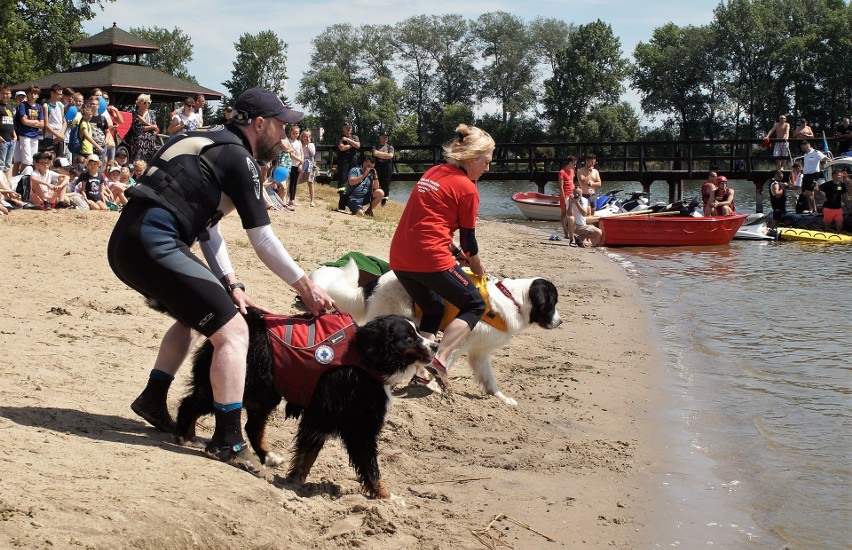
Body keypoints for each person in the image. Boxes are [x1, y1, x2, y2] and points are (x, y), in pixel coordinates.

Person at [107, 87, 334, 476]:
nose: (284, 137)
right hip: (152, 242)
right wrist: (305, 286)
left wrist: (230, 281)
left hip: (130, 241)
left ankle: (153, 397)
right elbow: (263, 238)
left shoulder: (209, 142)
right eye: (280, 127)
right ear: (259, 123)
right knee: (232, 332)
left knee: (199, 316)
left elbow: (208, 230)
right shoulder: (238, 158)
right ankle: (228, 441)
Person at [388, 123, 493, 389]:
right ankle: (441, 358)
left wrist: (455, 252)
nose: (488, 168)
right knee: (475, 305)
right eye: (486, 162)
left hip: (400, 257)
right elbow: (470, 241)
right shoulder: (468, 189)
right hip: (428, 259)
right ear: (471, 159)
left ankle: (419, 371)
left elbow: (430, 222)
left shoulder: (434, 172)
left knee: (434, 309)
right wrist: (478, 267)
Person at [16, 85, 43, 174]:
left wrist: (29, 121)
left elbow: (42, 124)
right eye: (31, 93)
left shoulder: (39, 107)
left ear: (38, 95)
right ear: (28, 94)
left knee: (34, 159)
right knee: (27, 160)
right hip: (25, 134)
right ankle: (23, 177)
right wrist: (36, 122)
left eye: (35, 93)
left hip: (35, 135)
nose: (33, 95)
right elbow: (24, 121)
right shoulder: (23, 105)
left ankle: (31, 177)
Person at [127, 94, 159, 163]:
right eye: (145, 102)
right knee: (137, 163)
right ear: (139, 103)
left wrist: (146, 125)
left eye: (148, 103)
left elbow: (155, 127)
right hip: (139, 144)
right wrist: (151, 127)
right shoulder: (135, 114)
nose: (147, 104)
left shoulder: (151, 114)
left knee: (149, 164)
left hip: (150, 143)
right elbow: (138, 129)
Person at [336, 122, 360, 210]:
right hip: (343, 160)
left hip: (353, 160)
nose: (348, 129)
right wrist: (352, 145)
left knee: (353, 180)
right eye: (346, 128)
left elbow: (358, 145)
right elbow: (342, 148)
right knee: (342, 182)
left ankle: (352, 204)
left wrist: (349, 141)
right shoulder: (340, 137)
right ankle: (341, 205)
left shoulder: (355, 137)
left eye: (350, 128)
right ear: (343, 128)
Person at [800, 141, 826, 214]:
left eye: (802, 147)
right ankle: (812, 209)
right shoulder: (806, 155)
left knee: (809, 192)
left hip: (813, 175)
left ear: (806, 146)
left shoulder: (816, 152)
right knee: (807, 193)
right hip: (806, 175)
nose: (802, 149)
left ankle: (814, 210)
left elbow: (825, 158)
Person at [42, 84, 67, 158]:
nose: (60, 96)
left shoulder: (60, 105)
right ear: (52, 93)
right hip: (50, 137)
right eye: (58, 94)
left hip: (59, 137)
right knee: (50, 158)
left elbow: (64, 122)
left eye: (61, 94)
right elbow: (46, 125)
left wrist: (61, 135)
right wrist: (58, 135)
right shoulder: (46, 106)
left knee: (59, 160)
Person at [557, 156, 577, 241]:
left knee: (572, 213)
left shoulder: (572, 171)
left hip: (571, 195)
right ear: (570, 163)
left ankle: (571, 230)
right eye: (574, 164)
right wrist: (564, 197)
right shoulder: (562, 172)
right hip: (564, 195)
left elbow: (572, 183)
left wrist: (575, 193)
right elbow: (561, 186)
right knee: (564, 213)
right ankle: (565, 231)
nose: (575, 166)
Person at [372, 131, 394, 205]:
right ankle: (374, 199)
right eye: (383, 136)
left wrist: (380, 154)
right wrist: (385, 155)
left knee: (386, 184)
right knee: (376, 182)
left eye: (386, 137)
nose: (385, 138)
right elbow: (375, 153)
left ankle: (384, 202)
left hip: (387, 167)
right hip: (377, 166)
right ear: (380, 137)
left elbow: (390, 156)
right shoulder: (375, 146)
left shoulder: (390, 147)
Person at [0, 84, 17, 182]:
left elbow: (10, 122)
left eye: (7, 93)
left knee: (8, 164)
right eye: (3, 93)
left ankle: (6, 183)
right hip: (2, 140)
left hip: (11, 139)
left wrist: (14, 135)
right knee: (1, 164)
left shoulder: (10, 107)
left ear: (10, 95)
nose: (5, 95)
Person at [298, 129, 316, 207]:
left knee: (310, 182)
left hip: (310, 164)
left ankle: (312, 200)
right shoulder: (299, 144)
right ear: (302, 137)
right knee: (297, 179)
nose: (306, 138)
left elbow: (313, 153)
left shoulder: (311, 144)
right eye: (304, 136)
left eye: (307, 136)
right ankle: (290, 196)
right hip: (301, 163)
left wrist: (308, 145)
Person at [285, 125, 302, 207]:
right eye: (294, 133)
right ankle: (289, 199)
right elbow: (291, 154)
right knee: (290, 182)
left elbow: (302, 153)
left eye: (297, 133)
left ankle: (292, 198)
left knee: (295, 182)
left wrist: (301, 163)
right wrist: (300, 160)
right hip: (290, 164)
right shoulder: (288, 141)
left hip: (297, 165)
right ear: (290, 133)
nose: (295, 135)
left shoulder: (299, 142)